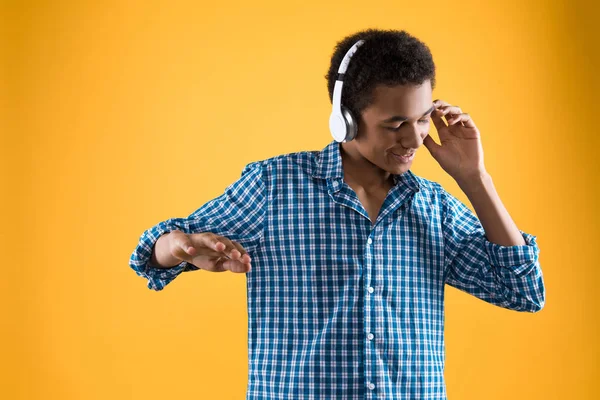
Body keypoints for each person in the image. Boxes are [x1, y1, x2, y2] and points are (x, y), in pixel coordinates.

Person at [129, 28, 545, 400]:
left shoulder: (434, 208)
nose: (415, 137)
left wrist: (475, 179)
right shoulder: (274, 186)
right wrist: (178, 247)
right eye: (395, 123)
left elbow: (522, 292)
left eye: (421, 119)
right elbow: (152, 254)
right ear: (344, 120)